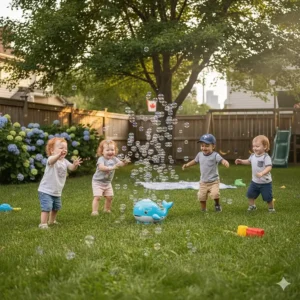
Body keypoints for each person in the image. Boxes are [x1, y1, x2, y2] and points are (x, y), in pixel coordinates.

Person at [38, 137, 82, 229]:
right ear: (52, 150)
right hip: (46, 190)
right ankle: (43, 224)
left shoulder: (65, 161)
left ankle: (52, 221)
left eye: (65, 148)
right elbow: (51, 161)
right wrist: (58, 156)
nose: (64, 150)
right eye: (61, 148)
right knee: (47, 207)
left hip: (57, 191)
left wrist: (75, 165)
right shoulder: (51, 159)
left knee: (56, 207)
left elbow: (71, 168)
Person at [182, 133, 229, 212]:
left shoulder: (215, 155)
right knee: (201, 196)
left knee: (215, 194)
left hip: (214, 181)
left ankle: (217, 204)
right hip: (203, 181)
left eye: (207, 146)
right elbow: (195, 161)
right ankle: (203, 209)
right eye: (202, 145)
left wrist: (224, 162)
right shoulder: (200, 155)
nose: (204, 148)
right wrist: (187, 165)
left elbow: (221, 160)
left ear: (213, 146)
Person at [235, 135, 275, 213]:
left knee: (268, 197)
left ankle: (271, 208)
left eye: (257, 146)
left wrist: (262, 173)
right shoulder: (253, 156)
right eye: (253, 146)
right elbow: (248, 161)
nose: (255, 148)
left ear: (265, 147)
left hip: (265, 182)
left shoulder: (266, 157)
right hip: (255, 182)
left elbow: (269, 167)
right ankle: (252, 206)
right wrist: (242, 161)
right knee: (250, 194)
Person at [91, 139, 130, 216]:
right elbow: (101, 167)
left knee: (109, 197)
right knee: (97, 197)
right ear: (102, 151)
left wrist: (124, 163)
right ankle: (94, 211)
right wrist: (111, 168)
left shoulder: (114, 159)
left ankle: (107, 209)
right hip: (98, 182)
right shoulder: (101, 159)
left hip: (107, 183)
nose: (110, 152)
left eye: (112, 150)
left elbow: (120, 164)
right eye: (107, 150)